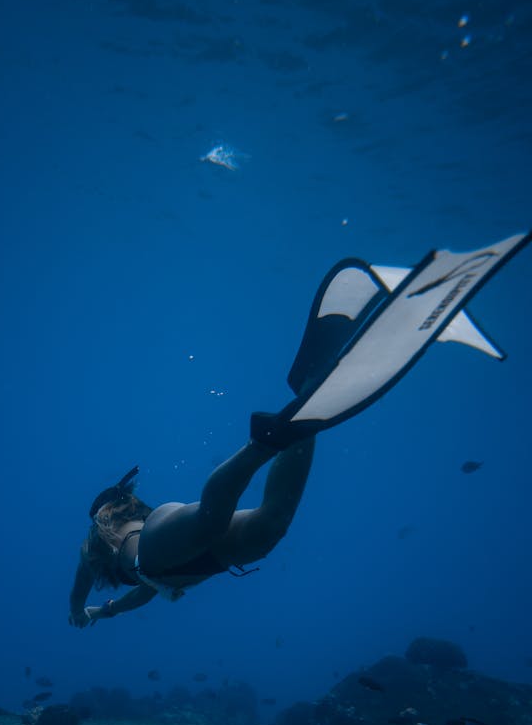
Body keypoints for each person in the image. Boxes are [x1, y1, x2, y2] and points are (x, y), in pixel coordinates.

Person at [69, 232, 529, 627]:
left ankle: (262, 444)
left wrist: (76, 605)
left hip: (157, 548)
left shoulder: (101, 529)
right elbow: (143, 593)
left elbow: (84, 574)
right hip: (178, 564)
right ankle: (310, 386)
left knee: (211, 520)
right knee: (271, 526)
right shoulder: (130, 563)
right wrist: (98, 614)